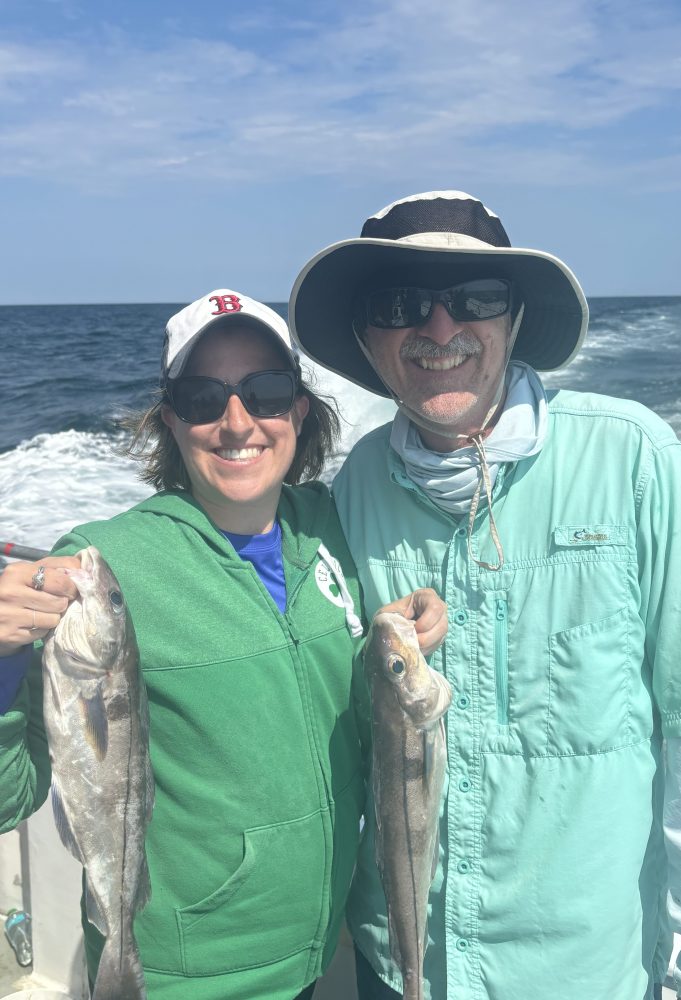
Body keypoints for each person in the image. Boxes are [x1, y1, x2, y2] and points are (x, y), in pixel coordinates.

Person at [288, 192, 681, 1000]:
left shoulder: (637, 459)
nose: (439, 329)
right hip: (397, 966)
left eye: (476, 298)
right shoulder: (353, 486)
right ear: (368, 337)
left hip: (583, 973)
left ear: (512, 318)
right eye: (399, 304)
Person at [0, 288, 447, 1000]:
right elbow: (11, 794)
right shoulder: (102, 568)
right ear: (171, 420)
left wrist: (399, 630)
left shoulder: (330, 528)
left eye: (265, 392)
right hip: (182, 978)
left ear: (298, 410)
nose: (237, 422)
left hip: (323, 954)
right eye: (205, 398)